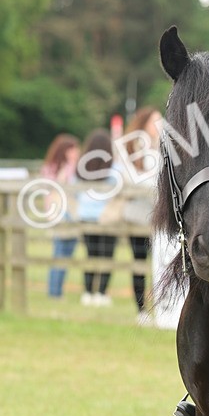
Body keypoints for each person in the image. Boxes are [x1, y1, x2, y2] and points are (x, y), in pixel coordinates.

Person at [118, 106, 163, 323]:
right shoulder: (132, 149)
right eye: (154, 121)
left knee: (160, 263)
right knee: (139, 262)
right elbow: (131, 179)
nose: (159, 126)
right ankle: (141, 310)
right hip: (137, 215)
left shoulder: (163, 149)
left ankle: (161, 308)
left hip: (157, 216)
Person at [76, 127, 119, 306]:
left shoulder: (81, 167)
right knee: (107, 256)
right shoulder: (114, 169)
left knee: (90, 254)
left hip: (86, 215)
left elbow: (74, 190)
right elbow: (119, 191)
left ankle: (87, 292)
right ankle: (101, 293)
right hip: (106, 216)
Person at [41, 133, 80, 297]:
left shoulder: (77, 167)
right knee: (59, 253)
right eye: (73, 149)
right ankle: (54, 292)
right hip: (59, 214)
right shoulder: (52, 168)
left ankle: (58, 290)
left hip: (73, 213)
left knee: (67, 255)